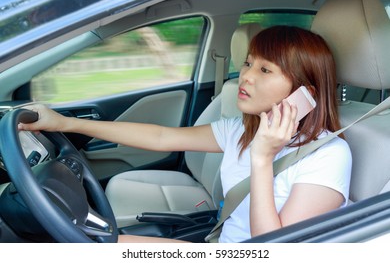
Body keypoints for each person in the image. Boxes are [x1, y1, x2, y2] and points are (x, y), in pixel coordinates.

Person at [19, 25, 352, 243]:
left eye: (265, 70)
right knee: (91, 239)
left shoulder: (328, 155)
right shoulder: (243, 129)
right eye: (248, 64)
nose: (246, 77)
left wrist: (263, 159)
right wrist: (66, 123)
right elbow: (162, 138)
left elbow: (274, 249)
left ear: (304, 94)